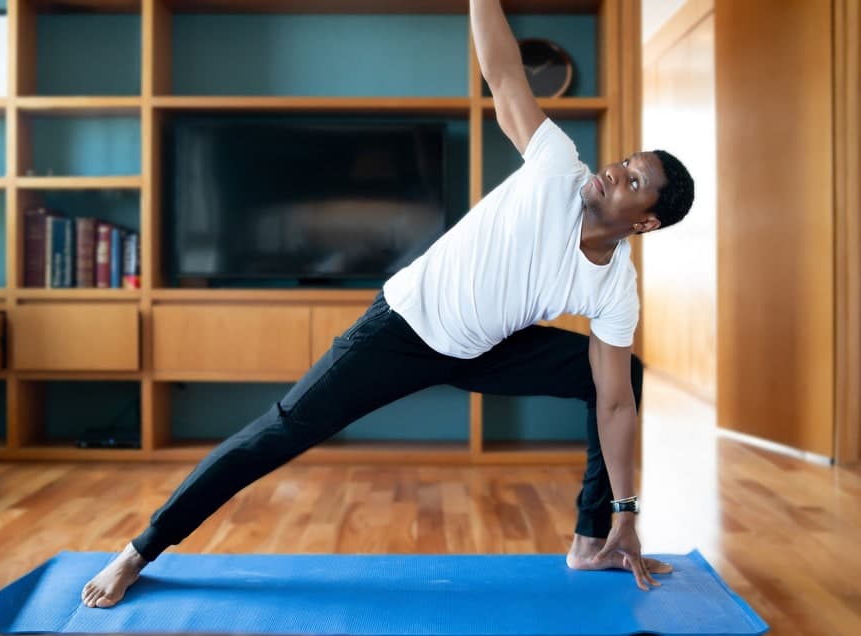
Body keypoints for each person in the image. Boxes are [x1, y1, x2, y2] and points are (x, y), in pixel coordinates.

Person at [82, 0, 694, 609]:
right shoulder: (555, 167)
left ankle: (593, 544)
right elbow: (505, 73)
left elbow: (614, 402)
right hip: (402, 327)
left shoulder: (614, 286)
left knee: (622, 373)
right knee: (277, 432)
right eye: (624, 164)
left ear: (643, 225)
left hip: (483, 348)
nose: (615, 173)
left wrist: (625, 511)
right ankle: (139, 551)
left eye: (633, 183)